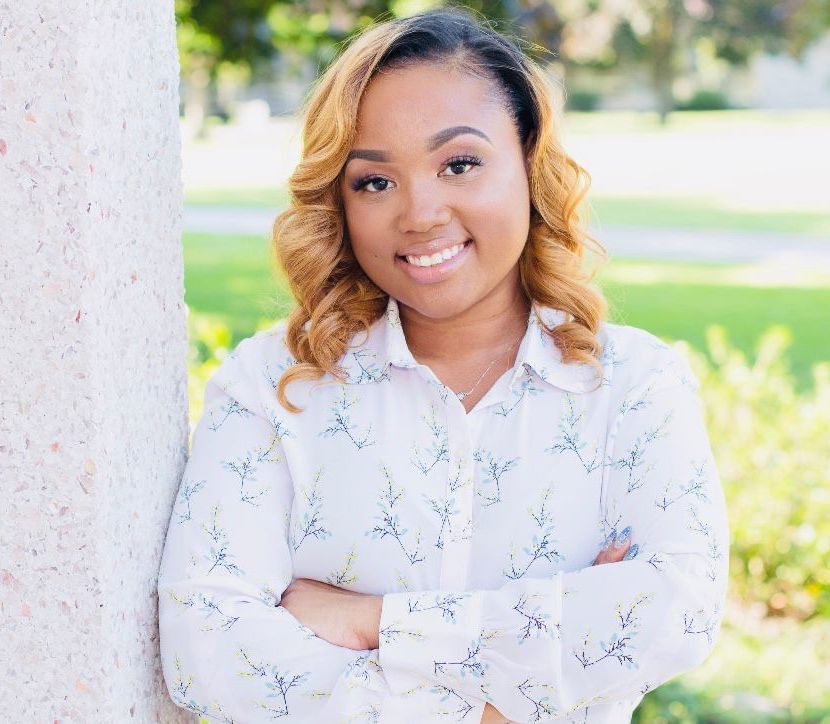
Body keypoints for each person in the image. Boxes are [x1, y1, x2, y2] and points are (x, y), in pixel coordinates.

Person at [157, 7, 729, 723]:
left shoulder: (633, 386)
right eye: (374, 181)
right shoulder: (274, 387)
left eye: (459, 165)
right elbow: (207, 650)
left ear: (529, 164)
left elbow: (674, 614)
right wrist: (505, 695)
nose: (421, 213)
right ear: (338, 200)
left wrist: (375, 622)